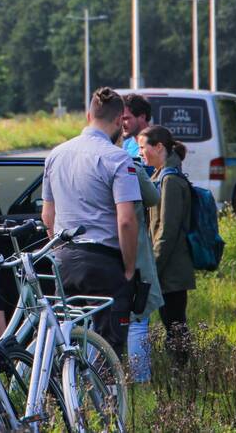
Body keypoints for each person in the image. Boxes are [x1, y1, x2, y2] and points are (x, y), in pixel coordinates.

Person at [41, 87, 140, 354]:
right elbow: (127, 221)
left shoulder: (56, 155)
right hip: (103, 262)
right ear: (119, 121)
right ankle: (108, 393)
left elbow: (47, 216)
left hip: (62, 260)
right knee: (109, 347)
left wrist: (58, 249)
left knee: (65, 340)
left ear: (88, 115)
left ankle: (61, 391)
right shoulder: (119, 159)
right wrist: (129, 269)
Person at [140, 125, 195, 365]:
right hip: (167, 267)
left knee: (175, 325)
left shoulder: (170, 179)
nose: (141, 153)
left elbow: (167, 229)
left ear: (159, 147)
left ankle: (183, 374)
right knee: (172, 324)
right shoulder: (161, 174)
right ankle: (181, 370)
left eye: (143, 147)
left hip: (171, 269)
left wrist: (154, 266)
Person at [120, 95, 163, 382]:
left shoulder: (145, 145)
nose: (124, 124)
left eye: (128, 118)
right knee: (136, 321)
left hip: (103, 248)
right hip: (129, 247)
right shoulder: (126, 153)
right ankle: (139, 381)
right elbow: (150, 196)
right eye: (120, 118)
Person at [120, 92, 152, 160]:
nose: (121, 123)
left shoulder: (158, 145)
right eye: (120, 119)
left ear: (142, 117)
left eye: (126, 118)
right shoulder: (126, 145)